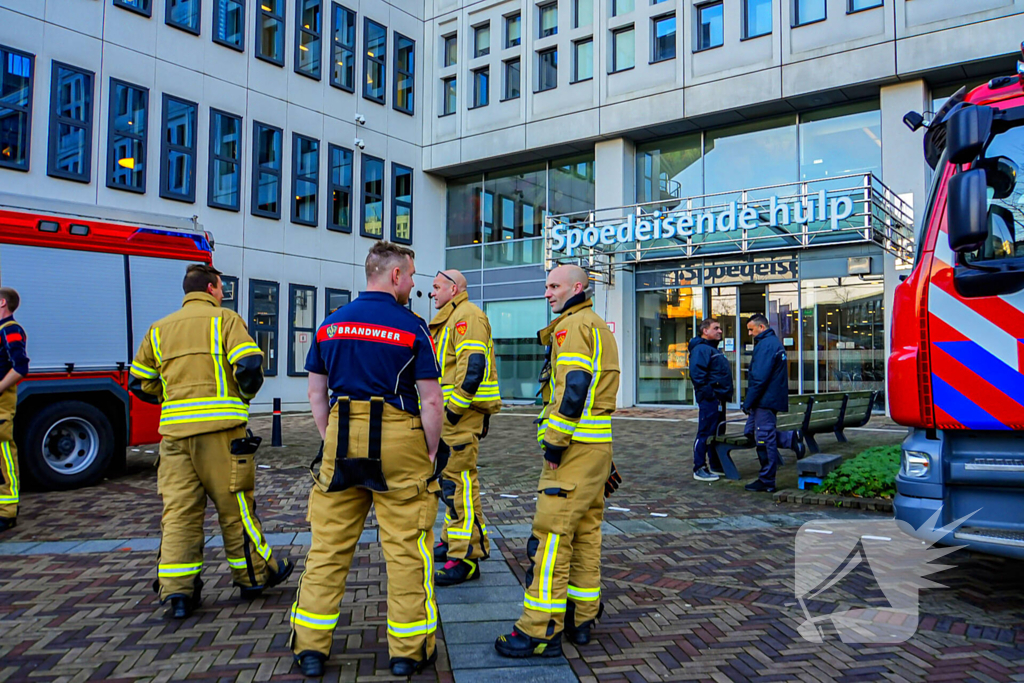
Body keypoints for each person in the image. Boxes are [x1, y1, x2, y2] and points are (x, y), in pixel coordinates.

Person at [291, 242, 444, 679]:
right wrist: (429, 451)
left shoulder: (330, 325)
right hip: (399, 438)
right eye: (412, 275)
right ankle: (408, 652)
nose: (414, 283)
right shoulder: (411, 326)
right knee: (406, 549)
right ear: (395, 276)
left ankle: (311, 649)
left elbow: (316, 394)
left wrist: (332, 438)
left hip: (342, 435)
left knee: (327, 548)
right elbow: (431, 401)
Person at [129, 264, 293, 619]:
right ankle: (253, 576)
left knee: (179, 514)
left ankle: (178, 594)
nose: (223, 293)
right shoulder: (225, 320)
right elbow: (249, 366)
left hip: (173, 438)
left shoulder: (159, 328)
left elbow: (139, 382)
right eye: (221, 288)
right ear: (211, 287)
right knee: (236, 509)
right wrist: (242, 398)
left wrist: (171, 401)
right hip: (222, 434)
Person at [495, 265, 620, 658]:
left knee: (550, 539)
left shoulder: (572, 327)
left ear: (577, 287)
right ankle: (581, 619)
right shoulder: (595, 324)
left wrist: (554, 442)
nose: (547, 293)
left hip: (572, 452)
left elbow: (575, 387)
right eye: (546, 285)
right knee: (585, 534)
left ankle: (539, 631)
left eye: (554, 286)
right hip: (596, 449)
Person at [428, 269, 502, 586]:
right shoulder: (455, 316)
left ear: (454, 288)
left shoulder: (467, 316)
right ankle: (451, 541)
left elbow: (472, 366)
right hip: (454, 416)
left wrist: (453, 412)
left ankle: (467, 557)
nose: (432, 293)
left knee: (459, 487)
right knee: (451, 484)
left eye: (436, 287)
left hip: (458, 417)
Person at [741, 313, 805, 493]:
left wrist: (749, 401)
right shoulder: (772, 344)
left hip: (764, 400)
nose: (750, 334)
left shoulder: (767, 346)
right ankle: (789, 438)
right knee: (751, 432)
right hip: (766, 399)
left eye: (751, 329)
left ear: (761, 327)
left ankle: (767, 480)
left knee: (764, 438)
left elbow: (759, 378)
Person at [688, 318, 733, 482]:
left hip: (718, 399)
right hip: (711, 400)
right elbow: (697, 375)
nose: (720, 331)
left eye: (720, 328)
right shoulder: (702, 350)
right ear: (705, 331)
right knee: (706, 432)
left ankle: (715, 464)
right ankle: (699, 467)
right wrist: (710, 395)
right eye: (716, 328)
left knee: (717, 432)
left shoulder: (714, 350)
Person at [0, 287, 29, 533]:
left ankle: (7, 511)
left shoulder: (10, 329)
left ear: (2, 303)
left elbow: (20, 366)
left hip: (1, 404)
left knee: (4, 456)